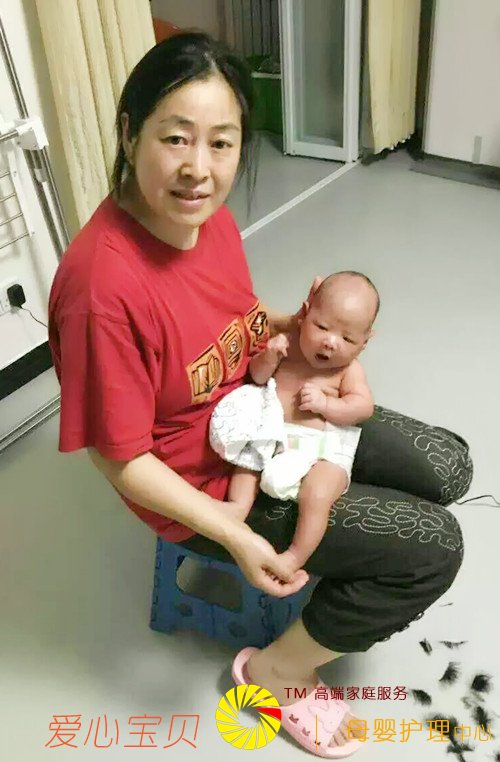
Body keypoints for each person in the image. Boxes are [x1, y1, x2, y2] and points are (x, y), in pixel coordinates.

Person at [48, 32, 464, 757]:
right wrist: (234, 532)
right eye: (176, 138)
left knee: (450, 467)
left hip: (268, 399)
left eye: (222, 142)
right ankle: (275, 672)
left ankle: (353, 540)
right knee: (435, 549)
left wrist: (296, 326)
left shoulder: (201, 217)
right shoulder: (101, 292)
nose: (199, 170)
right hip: (208, 480)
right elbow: (119, 460)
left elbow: (229, 317)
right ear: (129, 131)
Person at [209, 271, 379, 579]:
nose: (330, 342)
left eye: (347, 339)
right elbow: (257, 377)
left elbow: (362, 407)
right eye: (321, 326)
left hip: (320, 451)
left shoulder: (348, 370)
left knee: (317, 495)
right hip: (275, 437)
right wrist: (268, 358)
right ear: (305, 313)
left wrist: (327, 405)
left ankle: (295, 555)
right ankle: (237, 506)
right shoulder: (287, 346)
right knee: (247, 461)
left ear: (365, 343)